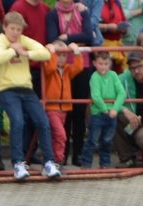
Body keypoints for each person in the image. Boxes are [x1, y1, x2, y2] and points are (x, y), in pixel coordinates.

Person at [0, 10, 62, 180]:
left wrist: (25, 53)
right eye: (12, 29)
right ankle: (18, 164)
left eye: (19, 30)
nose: (16, 33)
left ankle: (49, 163)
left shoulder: (23, 41)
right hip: (7, 89)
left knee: (43, 122)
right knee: (18, 121)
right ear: (4, 27)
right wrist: (13, 50)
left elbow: (45, 53)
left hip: (26, 89)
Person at [46, 0, 94, 168]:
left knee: (80, 112)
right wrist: (73, 41)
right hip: (63, 66)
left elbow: (89, 36)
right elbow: (52, 38)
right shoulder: (53, 14)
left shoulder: (82, 12)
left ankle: (78, 154)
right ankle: (62, 155)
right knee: (64, 112)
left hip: (82, 66)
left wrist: (66, 38)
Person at [80, 50, 125, 167]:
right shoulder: (94, 77)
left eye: (106, 64)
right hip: (98, 114)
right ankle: (86, 163)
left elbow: (121, 93)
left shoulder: (114, 75)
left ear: (110, 64)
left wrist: (115, 108)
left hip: (112, 114)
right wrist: (105, 109)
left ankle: (105, 164)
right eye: (100, 64)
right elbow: (96, 95)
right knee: (93, 140)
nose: (103, 67)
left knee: (107, 140)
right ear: (94, 63)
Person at [41, 39, 82, 166]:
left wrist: (76, 52)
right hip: (51, 108)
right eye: (59, 55)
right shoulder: (48, 67)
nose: (61, 58)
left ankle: (53, 159)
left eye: (64, 55)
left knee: (57, 136)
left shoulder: (67, 70)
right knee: (61, 135)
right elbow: (51, 67)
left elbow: (79, 67)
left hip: (64, 109)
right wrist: (52, 53)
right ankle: (57, 159)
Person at [114, 52, 143, 165]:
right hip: (134, 121)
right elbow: (107, 96)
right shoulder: (123, 78)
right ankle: (127, 158)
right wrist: (124, 110)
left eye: (139, 66)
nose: (136, 71)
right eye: (132, 68)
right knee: (113, 115)